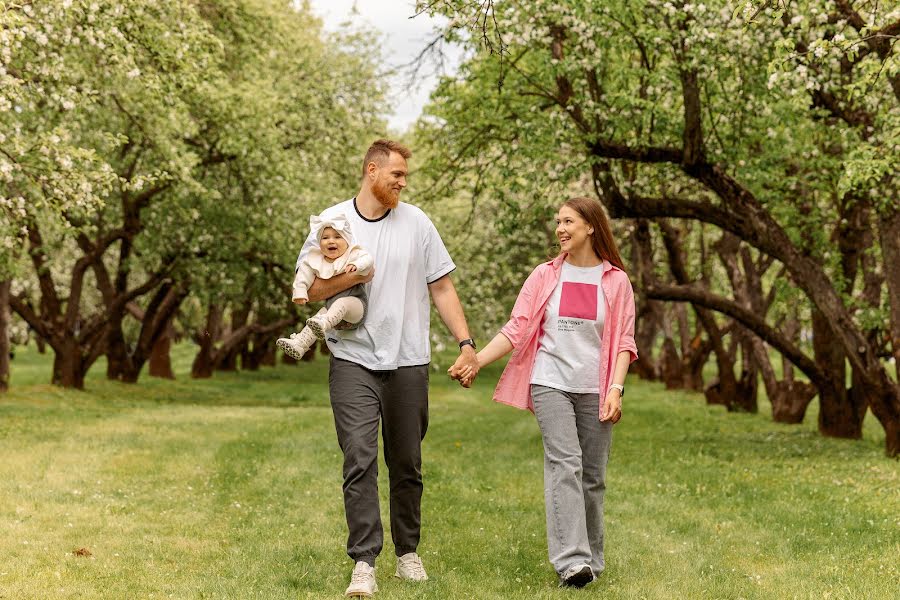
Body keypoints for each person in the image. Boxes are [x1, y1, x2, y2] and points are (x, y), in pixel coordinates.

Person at [296, 139, 479, 598]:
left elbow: (442, 288)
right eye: (396, 173)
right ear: (372, 170)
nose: (402, 182)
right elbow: (309, 289)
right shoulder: (332, 222)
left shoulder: (417, 222)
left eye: (405, 177)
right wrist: (350, 278)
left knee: (407, 463)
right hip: (352, 358)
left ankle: (407, 553)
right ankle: (363, 562)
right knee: (359, 457)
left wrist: (467, 343)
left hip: (409, 359)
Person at [451, 197, 637, 588]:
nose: (560, 229)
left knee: (593, 475)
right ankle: (572, 562)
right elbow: (516, 328)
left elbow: (624, 340)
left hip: (596, 386)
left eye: (568, 221)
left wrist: (616, 389)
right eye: (558, 222)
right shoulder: (545, 275)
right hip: (550, 381)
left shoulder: (616, 281)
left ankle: (592, 560)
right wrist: (477, 360)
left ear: (590, 226)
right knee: (564, 463)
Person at [276, 214, 373, 360]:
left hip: (356, 307)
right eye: (325, 237)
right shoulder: (315, 260)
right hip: (333, 315)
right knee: (320, 314)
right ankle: (300, 344)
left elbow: (368, 259)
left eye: (337, 237)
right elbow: (303, 275)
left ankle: (323, 323)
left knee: (340, 304)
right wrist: (300, 291)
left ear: (347, 240)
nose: (331, 241)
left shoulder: (352, 254)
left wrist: (357, 265)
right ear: (319, 242)